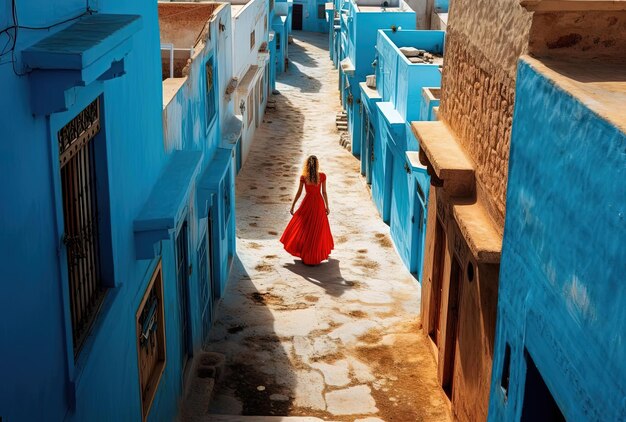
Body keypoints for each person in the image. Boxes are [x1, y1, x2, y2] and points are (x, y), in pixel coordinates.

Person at [280, 155, 334, 265]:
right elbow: (324, 192)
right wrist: (327, 206)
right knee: (317, 229)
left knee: (305, 228)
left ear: (307, 165)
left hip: (307, 203)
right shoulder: (322, 176)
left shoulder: (304, 177)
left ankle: (307, 255)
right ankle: (314, 256)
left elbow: (299, 192)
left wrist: (293, 205)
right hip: (318, 204)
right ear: (317, 164)